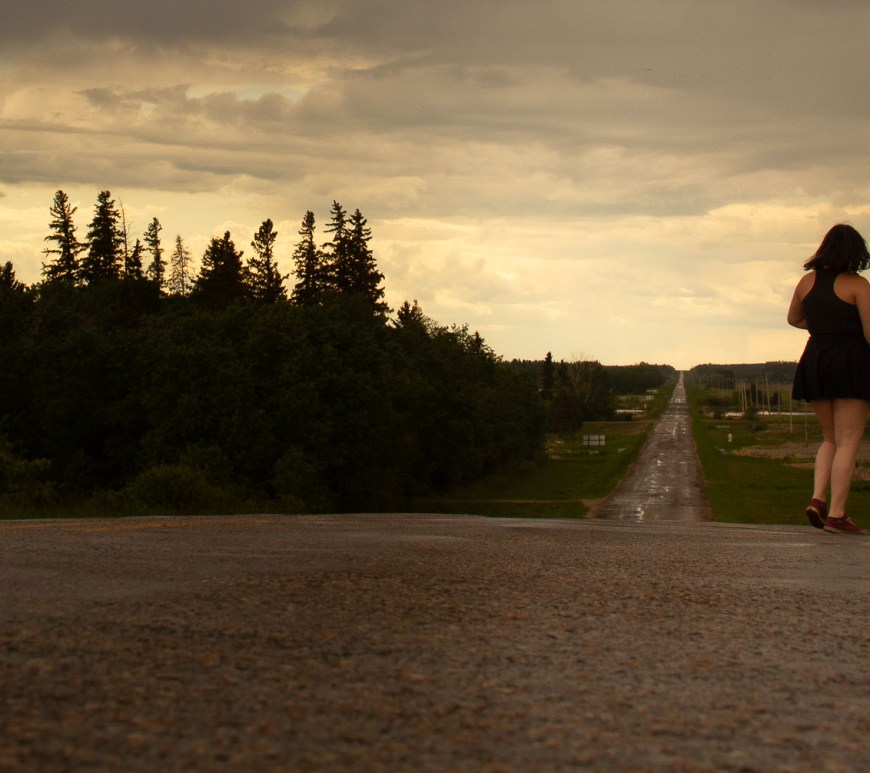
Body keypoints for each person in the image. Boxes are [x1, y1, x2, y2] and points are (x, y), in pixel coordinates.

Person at [788, 223, 870, 534]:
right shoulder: (858, 285)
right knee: (849, 441)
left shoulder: (806, 282)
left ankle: (817, 500)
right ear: (855, 253)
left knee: (830, 439)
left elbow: (794, 319)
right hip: (850, 362)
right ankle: (837, 515)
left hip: (816, 357)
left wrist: (823, 326)